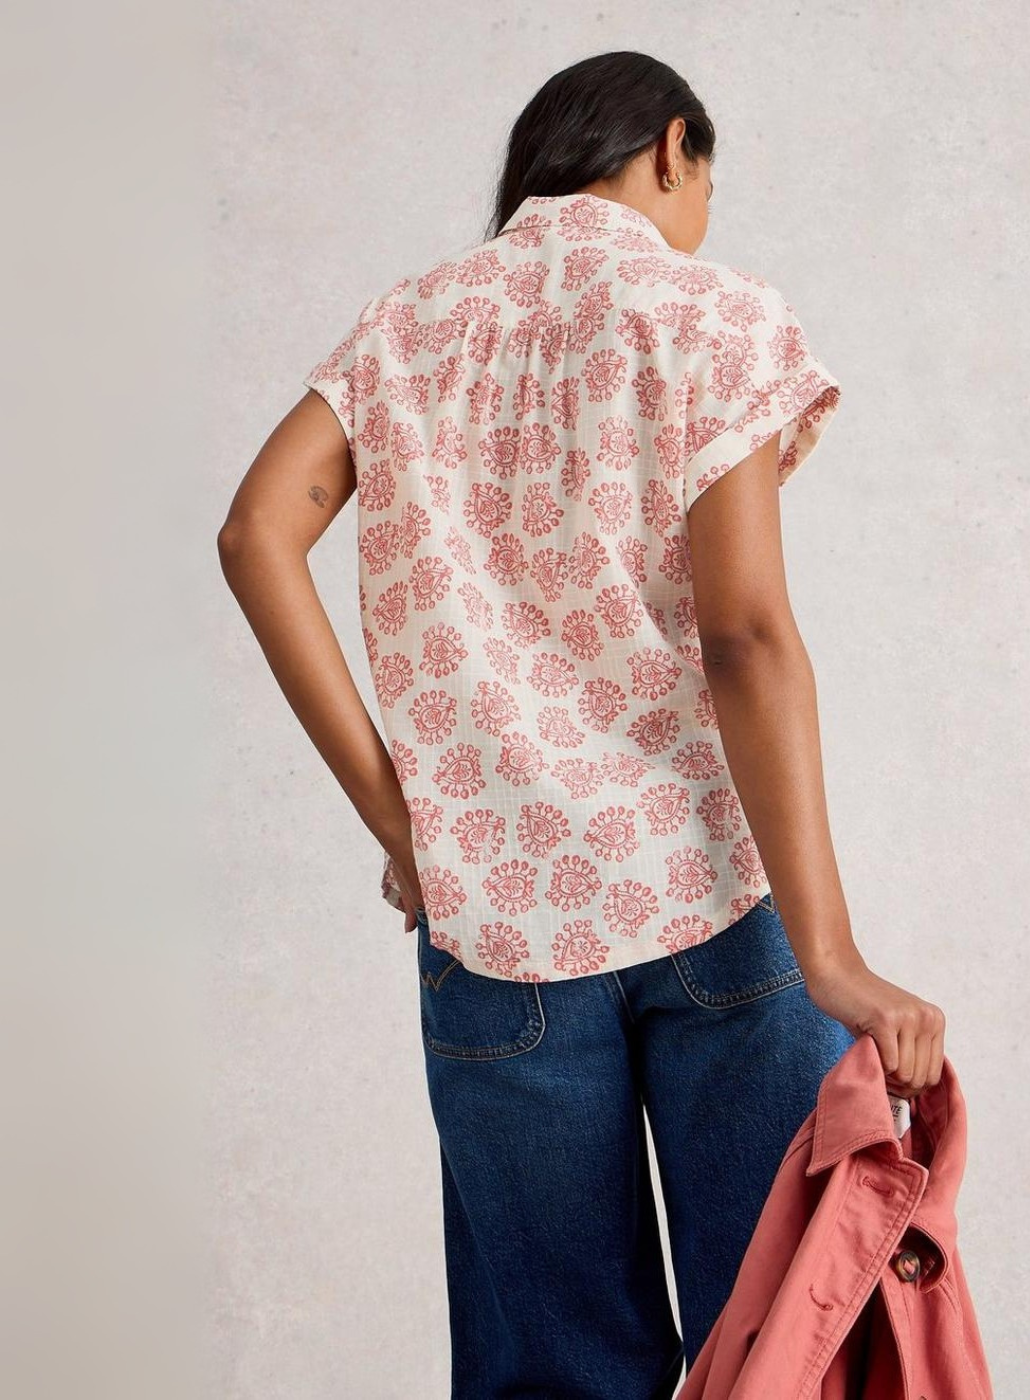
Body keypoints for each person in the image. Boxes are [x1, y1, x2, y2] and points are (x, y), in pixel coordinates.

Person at [218, 49, 946, 1400]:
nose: (703, 216)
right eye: (706, 183)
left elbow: (257, 533)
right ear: (671, 148)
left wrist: (407, 828)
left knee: (553, 1372)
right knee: (779, 1350)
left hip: (496, 930)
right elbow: (746, 635)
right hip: (713, 900)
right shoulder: (709, 316)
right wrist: (833, 956)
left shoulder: (406, 330)